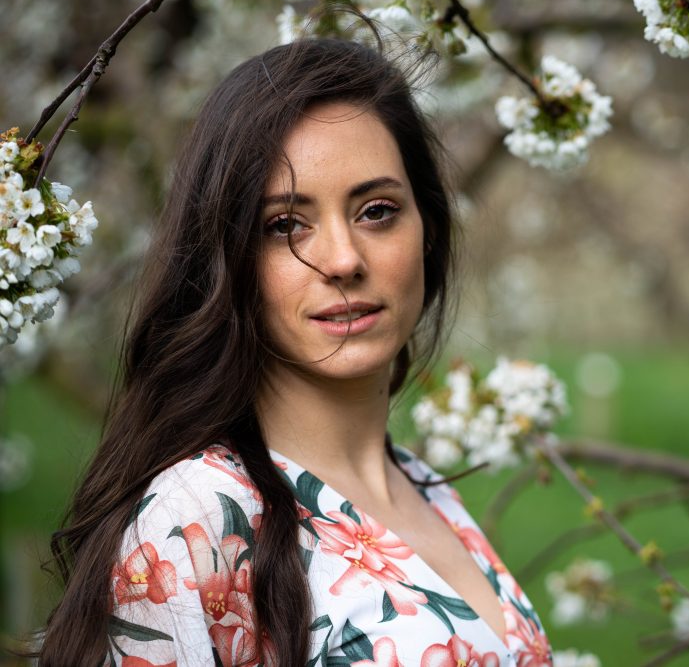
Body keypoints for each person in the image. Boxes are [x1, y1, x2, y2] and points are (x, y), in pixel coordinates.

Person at [28, 34, 553, 666]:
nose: (342, 260)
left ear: (429, 231)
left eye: (377, 211)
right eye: (284, 226)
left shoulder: (425, 486)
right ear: (229, 260)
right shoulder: (195, 522)